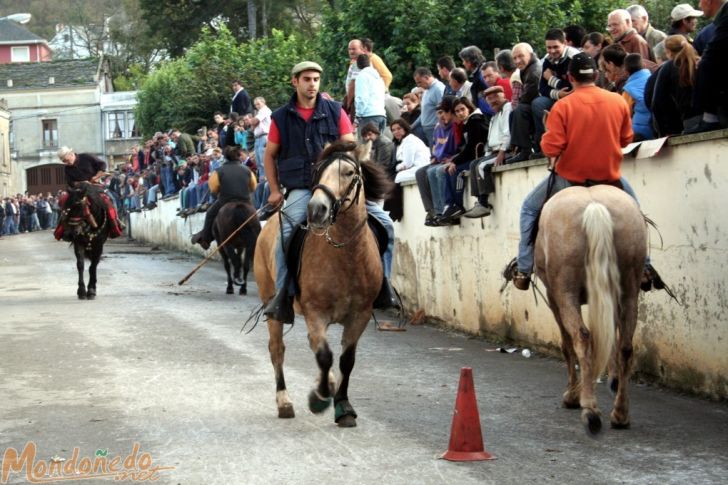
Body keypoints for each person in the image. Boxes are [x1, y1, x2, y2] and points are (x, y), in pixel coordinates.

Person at [504, 53, 662, 291]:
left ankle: (525, 269)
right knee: (636, 214)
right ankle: (646, 267)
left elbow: (550, 147)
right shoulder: (617, 101)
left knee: (528, 208)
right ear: (596, 75)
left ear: (570, 77)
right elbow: (626, 138)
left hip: (570, 179)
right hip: (610, 179)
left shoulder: (563, 106)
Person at [261, 61, 398, 323]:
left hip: (337, 187)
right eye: (306, 79)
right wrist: (275, 190)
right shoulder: (280, 117)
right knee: (284, 234)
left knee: (386, 225)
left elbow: (350, 150)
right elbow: (269, 156)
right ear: (295, 82)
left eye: (315, 79)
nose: (312, 84)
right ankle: (283, 296)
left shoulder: (336, 111)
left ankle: (385, 287)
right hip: (302, 187)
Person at [190, 145, 257, 252]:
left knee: (210, 214)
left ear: (225, 157)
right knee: (254, 217)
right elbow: (253, 186)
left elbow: (213, 188)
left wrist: (219, 195)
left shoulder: (219, 171)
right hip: (245, 200)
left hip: (226, 200)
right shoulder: (247, 170)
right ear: (238, 156)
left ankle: (206, 239)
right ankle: (258, 239)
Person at [53, 146, 124, 241]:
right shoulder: (67, 168)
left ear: (71, 154)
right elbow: (70, 182)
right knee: (63, 200)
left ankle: (116, 221)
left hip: (95, 185)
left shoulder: (86, 157)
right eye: (64, 162)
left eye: (66, 160)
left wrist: (97, 176)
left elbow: (102, 165)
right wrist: (80, 183)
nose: (66, 163)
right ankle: (63, 227)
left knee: (108, 200)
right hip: (78, 190)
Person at [465, 85, 512, 218]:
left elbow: (508, 133)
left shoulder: (507, 108)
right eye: (489, 99)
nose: (492, 101)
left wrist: (502, 152)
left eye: (496, 96)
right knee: (474, 164)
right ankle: (479, 201)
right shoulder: (494, 116)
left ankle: (484, 203)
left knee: (482, 166)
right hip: (494, 151)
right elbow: (490, 142)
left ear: (503, 95)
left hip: (506, 151)